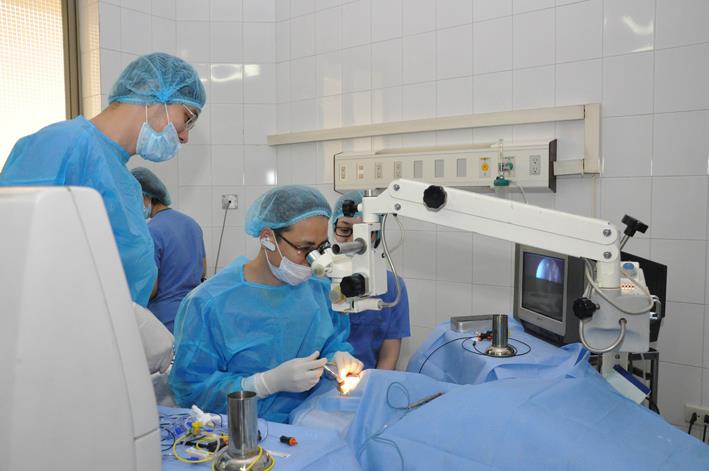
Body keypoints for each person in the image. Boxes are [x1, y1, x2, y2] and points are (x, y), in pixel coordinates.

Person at [0, 52, 206, 307]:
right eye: (188, 118)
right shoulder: (64, 144)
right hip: (54, 323)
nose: (185, 136)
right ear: (156, 95)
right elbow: (14, 249)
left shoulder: (127, 183)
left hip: (109, 324)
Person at [169, 185, 363, 422]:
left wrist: (337, 358)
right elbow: (190, 390)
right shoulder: (209, 302)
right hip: (242, 430)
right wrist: (262, 384)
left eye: (321, 248)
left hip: (311, 422)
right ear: (267, 239)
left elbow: (331, 342)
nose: (314, 261)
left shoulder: (319, 289)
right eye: (304, 249)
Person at [331, 191, 411, 370]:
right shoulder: (316, 281)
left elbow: (388, 357)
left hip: (366, 378)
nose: (353, 241)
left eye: (364, 232)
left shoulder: (392, 286)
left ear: (377, 234)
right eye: (344, 230)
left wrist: (372, 385)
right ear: (333, 229)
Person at [131, 167, 206, 332]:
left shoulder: (151, 231)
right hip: (192, 315)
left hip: (165, 320)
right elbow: (202, 271)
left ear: (146, 197)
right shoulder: (192, 224)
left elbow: (152, 289)